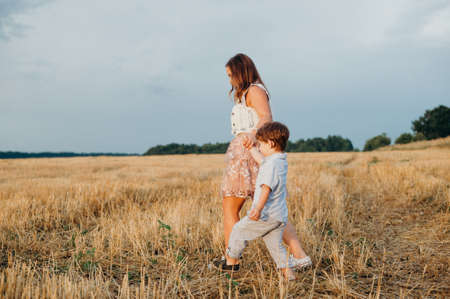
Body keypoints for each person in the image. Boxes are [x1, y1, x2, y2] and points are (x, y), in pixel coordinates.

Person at [220, 53, 311, 270]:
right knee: (271, 210)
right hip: (246, 152)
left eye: (231, 74)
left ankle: (231, 261)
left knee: (231, 208)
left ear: (241, 71)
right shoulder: (247, 93)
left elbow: (266, 117)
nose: (230, 79)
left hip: (247, 153)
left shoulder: (254, 90)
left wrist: (252, 136)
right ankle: (300, 257)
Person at [215, 122, 295, 280]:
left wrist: (257, 208)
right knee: (276, 248)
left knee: (238, 230)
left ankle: (231, 262)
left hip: (266, 215)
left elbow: (266, 188)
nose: (260, 148)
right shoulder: (279, 160)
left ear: (270, 143)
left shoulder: (271, 166)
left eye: (261, 145)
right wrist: (251, 148)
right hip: (279, 216)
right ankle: (289, 275)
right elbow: (261, 161)